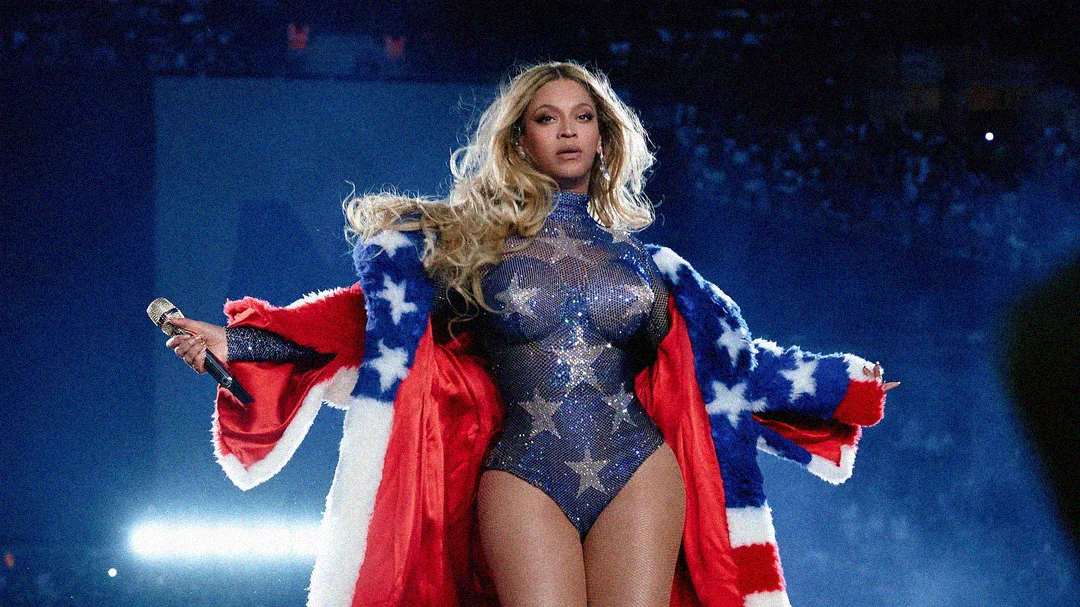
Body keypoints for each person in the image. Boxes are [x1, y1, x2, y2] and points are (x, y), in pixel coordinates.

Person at [166, 60, 899, 607]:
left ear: (605, 136)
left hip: (640, 468)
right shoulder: (465, 245)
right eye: (548, 117)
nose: (568, 129)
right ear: (521, 137)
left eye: (583, 116)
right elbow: (369, 321)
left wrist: (847, 385)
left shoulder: (656, 267)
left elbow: (725, 370)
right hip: (522, 473)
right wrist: (242, 342)